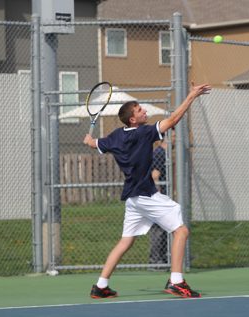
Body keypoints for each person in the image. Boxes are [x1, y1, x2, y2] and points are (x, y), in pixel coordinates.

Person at [83, 83, 211, 299]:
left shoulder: (115, 136)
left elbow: (95, 143)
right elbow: (172, 121)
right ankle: (176, 281)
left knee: (126, 241)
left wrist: (90, 141)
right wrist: (191, 97)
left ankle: (101, 286)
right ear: (133, 119)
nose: (145, 111)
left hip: (133, 199)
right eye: (140, 110)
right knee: (181, 231)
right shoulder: (142, 133)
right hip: (145, 195)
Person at [149, 133, 171, 267]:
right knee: (158, 228)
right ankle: (155, 261)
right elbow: (154, 175)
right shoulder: (159, 153)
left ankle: (163, 258)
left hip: (164, 197)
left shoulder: (165, 154)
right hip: (157, 197)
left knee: (166, 227)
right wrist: (158, 197)